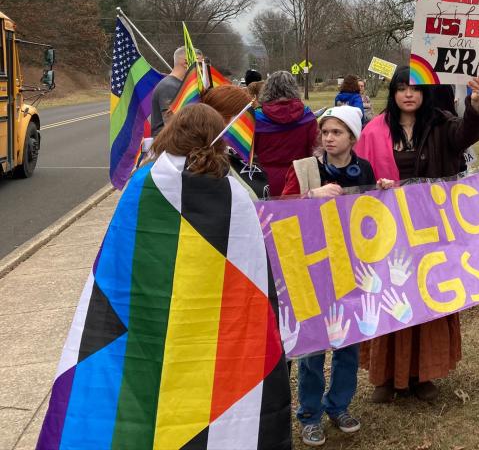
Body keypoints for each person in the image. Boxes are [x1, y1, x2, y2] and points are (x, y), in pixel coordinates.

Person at [36, 103, 291, 449]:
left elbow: (114, 267)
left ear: (172, 134)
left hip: (145, 324)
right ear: (219, 141)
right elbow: (256, 278)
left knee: (142, 404)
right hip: (215, 332)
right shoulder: (236, 196)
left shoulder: (142, 185)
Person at [354, 67, 479, 403]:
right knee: (392, 296)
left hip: (432, 229)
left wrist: (475, 101)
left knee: (427, 295)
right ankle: (387, 376)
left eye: (414, 88)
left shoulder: (442, 124)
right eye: (401, 88)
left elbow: (467, 135)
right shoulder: (374, 131)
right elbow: (359, 178)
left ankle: (423, 374)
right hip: (388, 233)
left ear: (426, 92)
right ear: (393, 94)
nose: (408, 94)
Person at [281, 106, 375, 447]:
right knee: (313, 346)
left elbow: (372, 217)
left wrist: (383, 191)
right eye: (325, 132)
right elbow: (281, 208)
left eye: (337, 132)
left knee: (348, 341)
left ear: (352, 136)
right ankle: (309, 414)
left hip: (349, 268)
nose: (329, 138)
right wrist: (310, 195)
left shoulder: (363, 168)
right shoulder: (306, 169)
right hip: (312, 270)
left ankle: (339, 405)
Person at [254, 71, 318, 193]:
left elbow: (249, 154)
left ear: (267, 88)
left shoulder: (256, 118)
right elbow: (315, 150)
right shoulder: (307, 115)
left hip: (264, 180)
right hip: (299, 178)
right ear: (294, 88)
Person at [202, 84, 270, 199]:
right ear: (221, 119)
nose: (248, 125)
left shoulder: (231, 153)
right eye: (243, 118)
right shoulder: (203, 166)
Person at [150, 45, 202, 136]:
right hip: (168, 146)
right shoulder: (169, 86)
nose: (201, 69)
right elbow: (174, 125)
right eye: (199, 64)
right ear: (186, 63)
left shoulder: (181, 86)